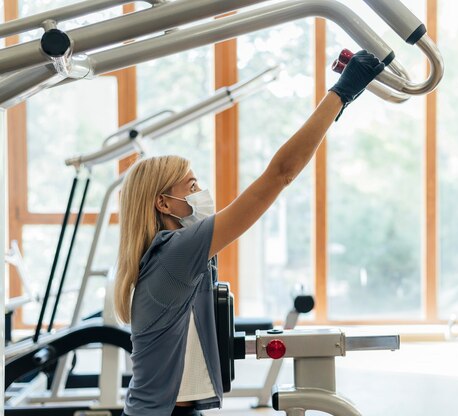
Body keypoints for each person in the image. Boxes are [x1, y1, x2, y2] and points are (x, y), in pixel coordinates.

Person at [115, 50, 385, 416]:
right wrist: (342, 92)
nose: (201, 192)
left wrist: (337, 107)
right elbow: (280, 174)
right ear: (163, 204)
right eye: (191, 185)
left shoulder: (171, 254)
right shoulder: (176, 251)